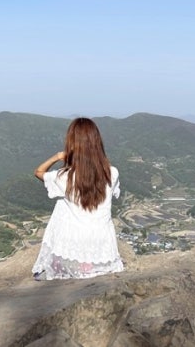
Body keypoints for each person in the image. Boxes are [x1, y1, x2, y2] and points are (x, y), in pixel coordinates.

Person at [31, 117, 124, 280]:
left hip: (72, 244)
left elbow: (39, 172)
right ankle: (88, 266)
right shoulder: (112, 173)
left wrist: (57, 157)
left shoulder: (64, 177)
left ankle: (65, 266)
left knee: (61, 203)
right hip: (102, 245)